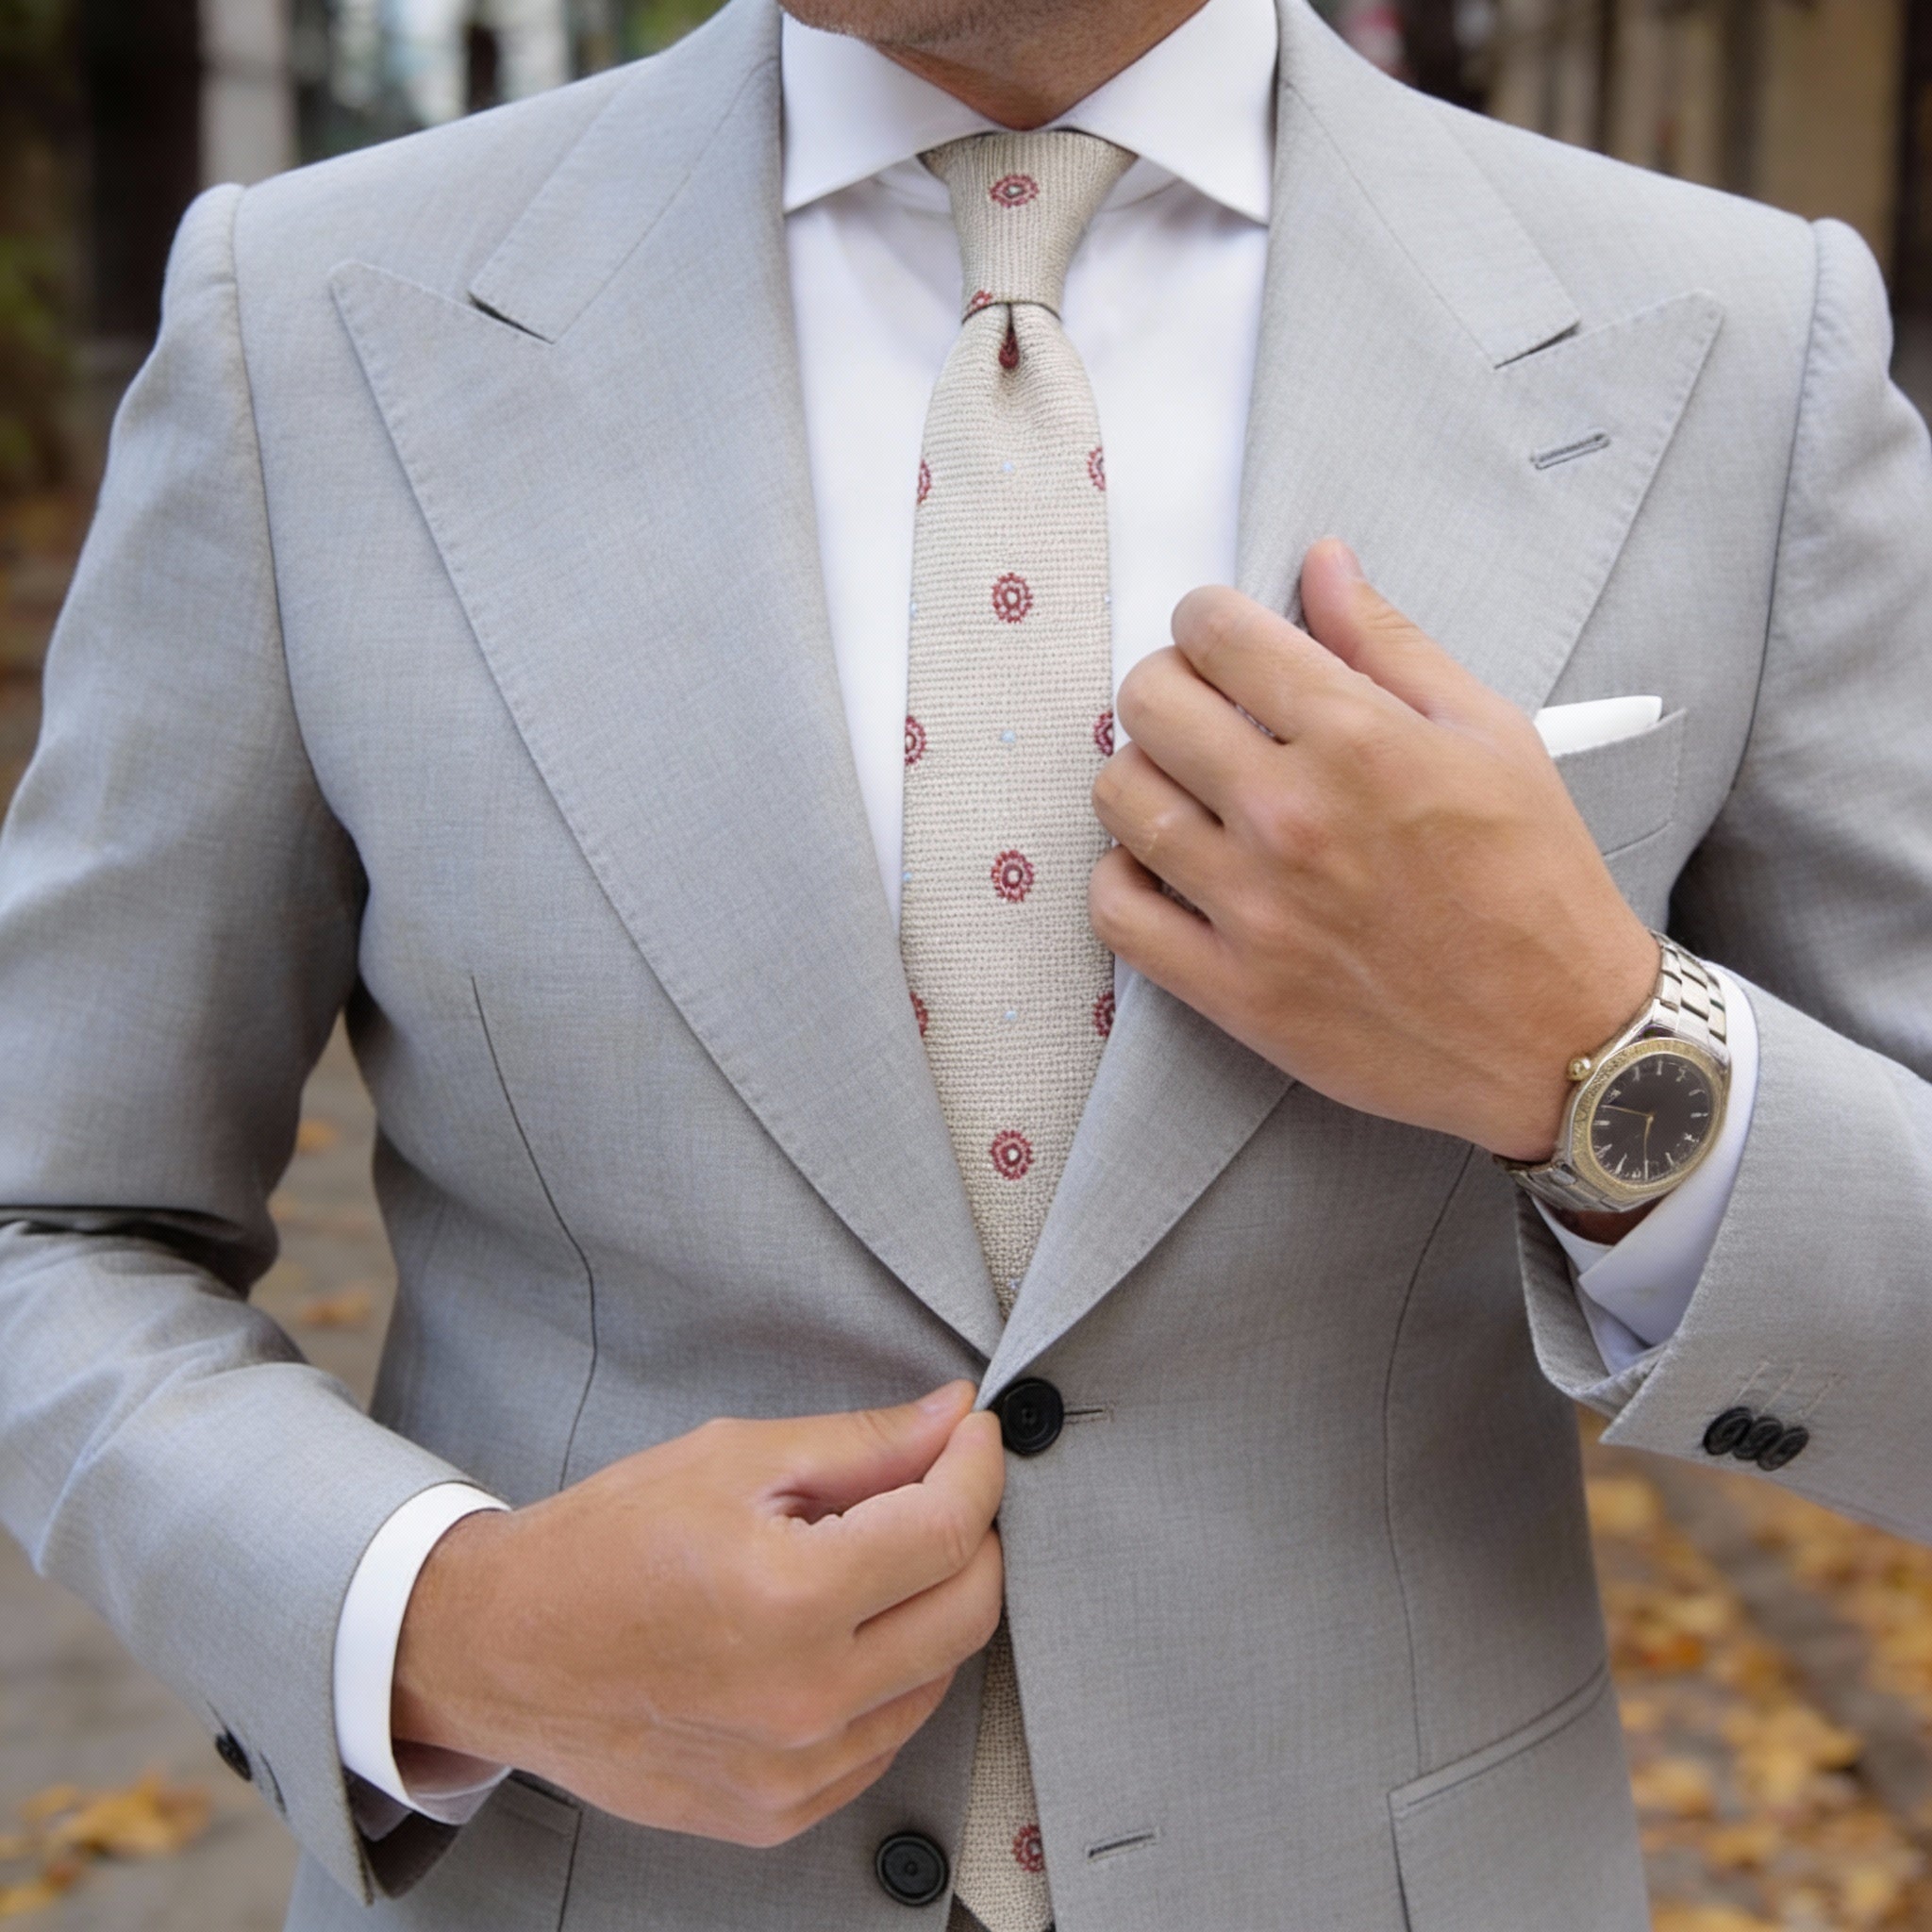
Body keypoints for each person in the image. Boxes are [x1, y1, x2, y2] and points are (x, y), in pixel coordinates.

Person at [1, 0, 1927, 1924]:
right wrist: (445, 1622)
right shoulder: (313, 315)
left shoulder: (1738, 351)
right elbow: (50, 1222)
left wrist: (1600, 1065)